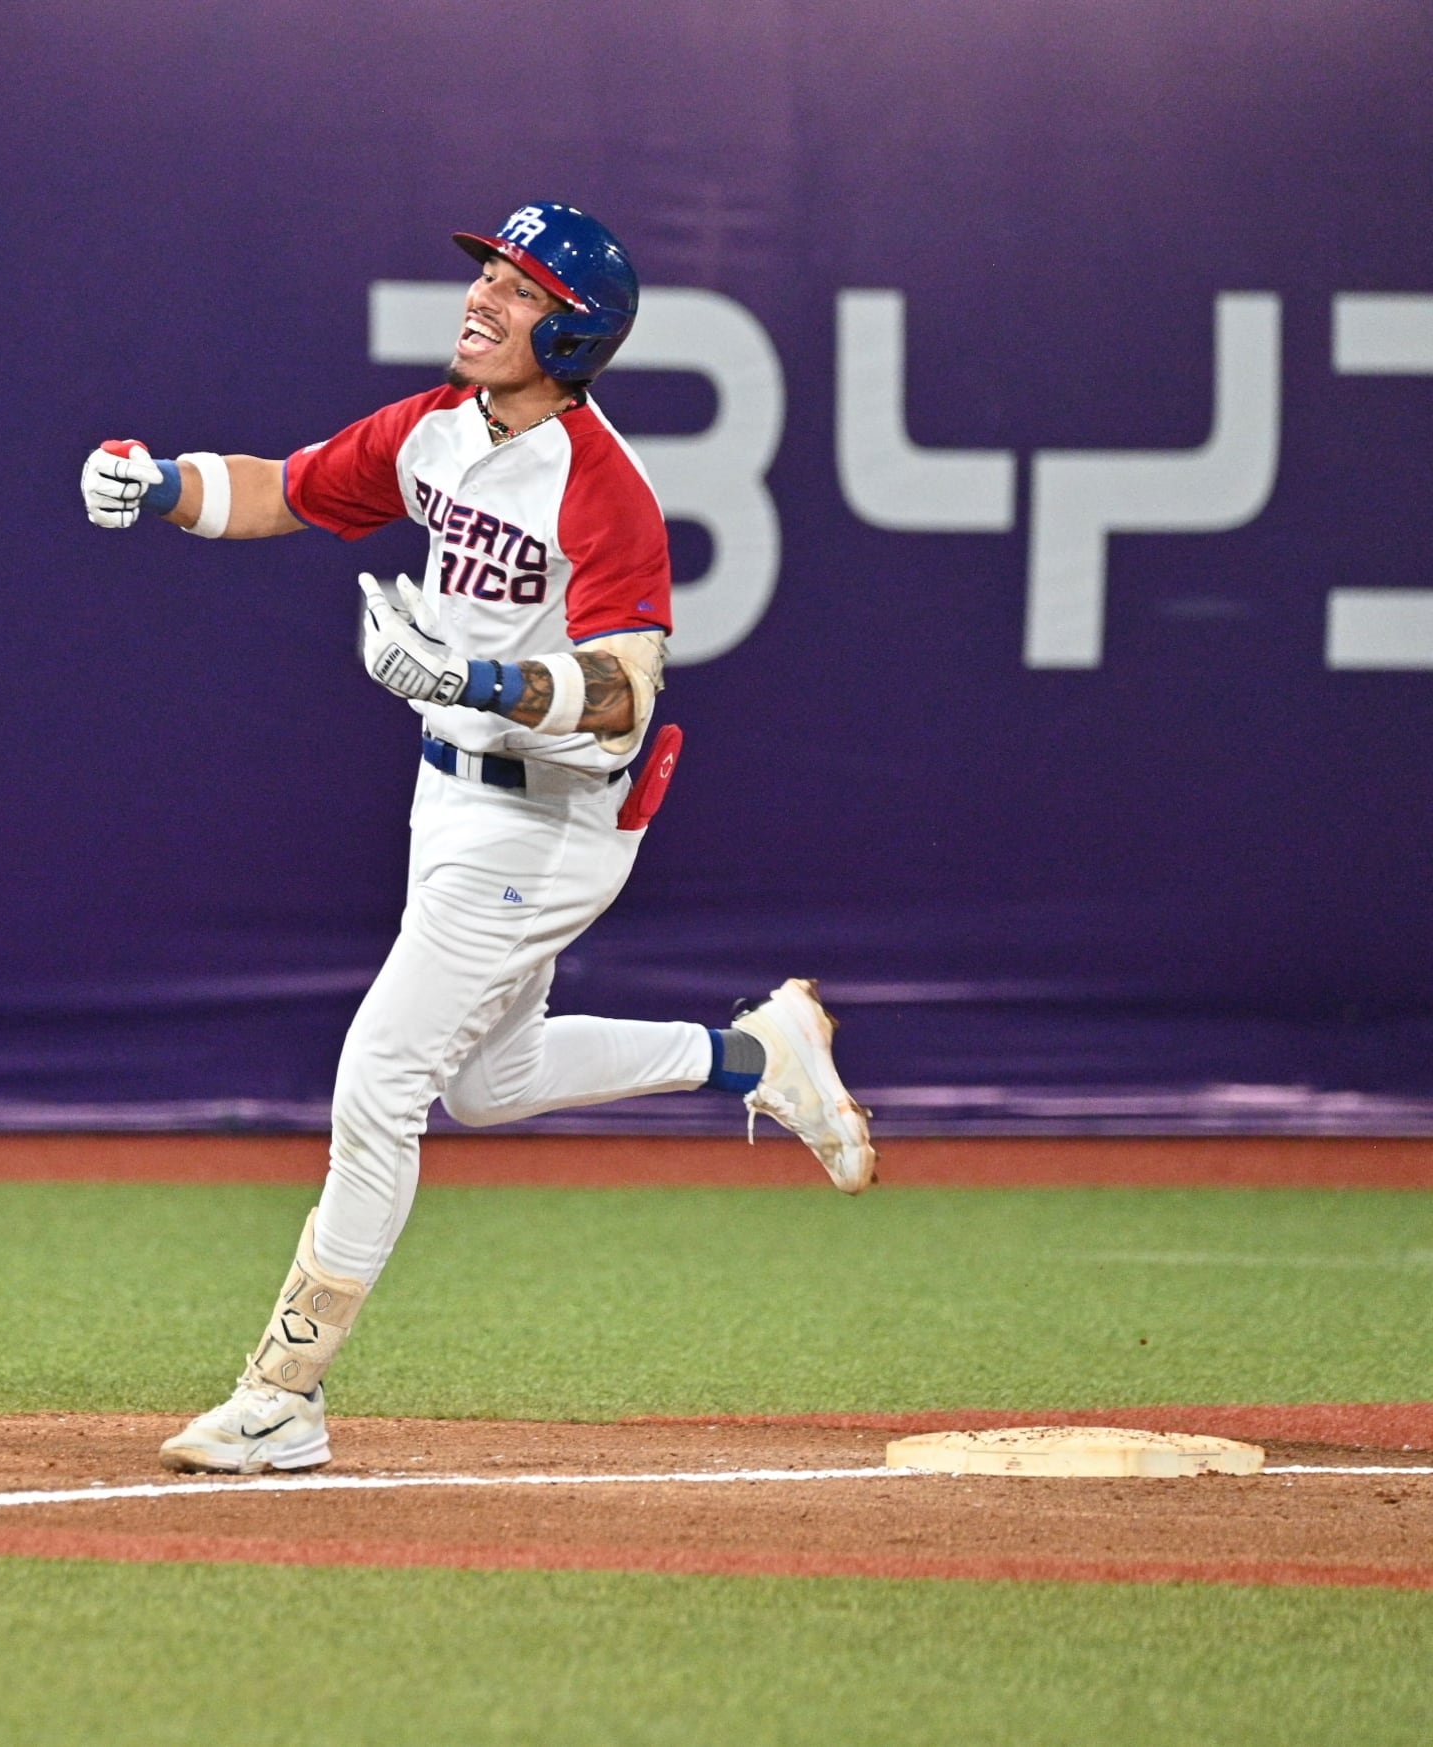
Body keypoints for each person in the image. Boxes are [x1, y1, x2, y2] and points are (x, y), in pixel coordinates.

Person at [78, 202, 876, 1475]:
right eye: (489, 274)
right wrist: (161, 483)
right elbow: (287, 489)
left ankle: (283, 1393)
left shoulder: (602, 487)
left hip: (549, 816)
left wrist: (474, 680)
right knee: (488, 1085)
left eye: (520, 288)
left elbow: (623, 694)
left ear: (574, 332)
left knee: (379, 1077)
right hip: (451, 794)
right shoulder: (436, 430)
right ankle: (754, 1055)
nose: (484, 298)